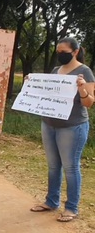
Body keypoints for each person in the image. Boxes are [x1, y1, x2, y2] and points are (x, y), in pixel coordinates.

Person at [30, 37, 94, 223]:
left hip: (72, 126)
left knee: (71, 167)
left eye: (63, 52)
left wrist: (82, 89)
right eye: (57, 51)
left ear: (74, 52)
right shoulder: (56, 70)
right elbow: (47, 94)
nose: (60, 55)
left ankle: (72, 208)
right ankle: (51, 201)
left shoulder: (84, 71)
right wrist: (32, 83)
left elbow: (89, 103)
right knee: (53, 166)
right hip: (49, 124)